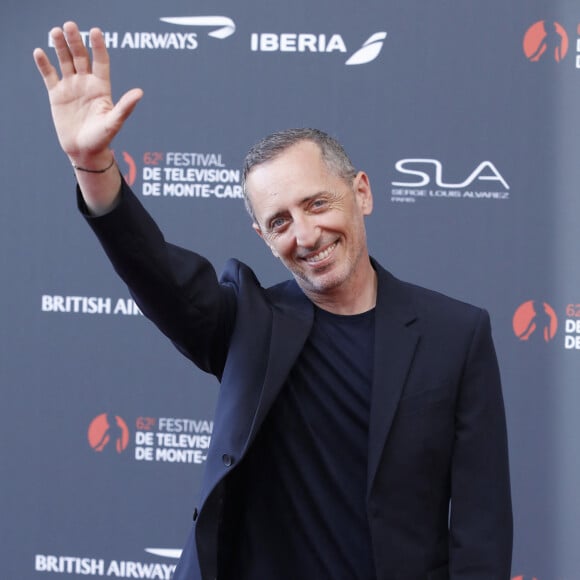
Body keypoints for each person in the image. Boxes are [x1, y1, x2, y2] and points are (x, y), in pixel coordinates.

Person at [33, 21, 513, 580]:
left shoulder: (456, 333)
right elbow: (154, 269)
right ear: (262, 236)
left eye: (317, 204)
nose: (305, 235)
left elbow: (482, 526)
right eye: (280, 221)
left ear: (361, 192)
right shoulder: (248, 323)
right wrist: (94, 167)